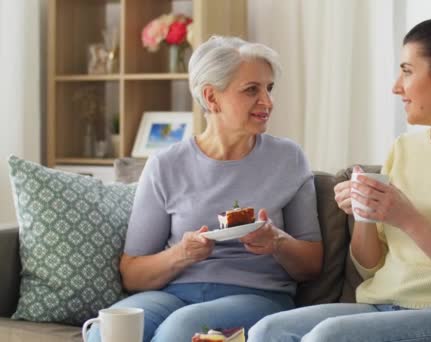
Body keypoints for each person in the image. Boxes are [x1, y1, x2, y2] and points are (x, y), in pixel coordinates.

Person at [248, 17, 431, 342]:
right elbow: (370, 266)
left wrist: (408, 218)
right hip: (384, 306)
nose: (396, 86)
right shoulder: (404, 148)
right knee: (268, 330)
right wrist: (365, 213)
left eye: (406, 71)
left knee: (329, 337)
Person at [87, 36, 323, 342]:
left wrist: (277, 242)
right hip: (172, 294)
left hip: (257, 297)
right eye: (252, 89)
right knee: (107, 331)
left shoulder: (288, 159)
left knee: (181, 329)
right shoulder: (165, 165)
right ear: (211, 97)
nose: (267, 101)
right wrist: (181, 254)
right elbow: (132, 274)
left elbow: (312, 265)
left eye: (269, 88)